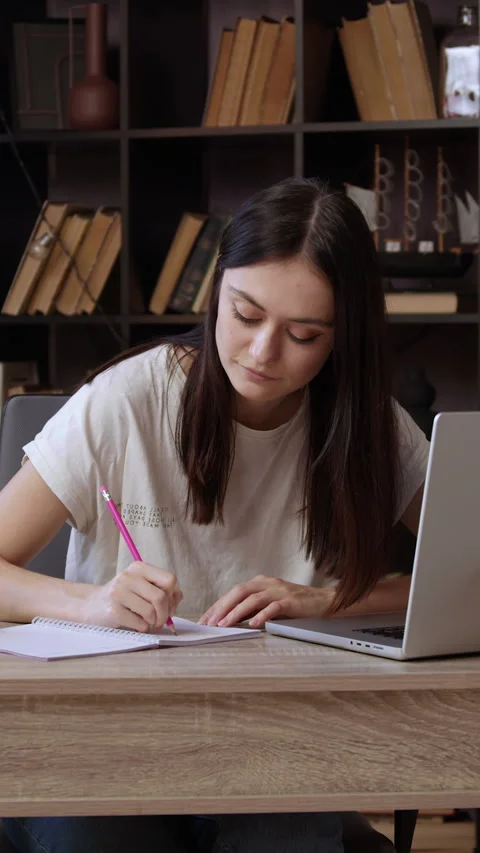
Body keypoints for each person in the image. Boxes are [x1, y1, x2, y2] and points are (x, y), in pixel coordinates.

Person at [0, 177, 429, 853]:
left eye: (304, 333)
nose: (263, 353)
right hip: (107, 734)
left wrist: (326, 600)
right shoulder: (128, 401)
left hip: (269, 734)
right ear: (215, 291)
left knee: (278, 829)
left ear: (342, 338)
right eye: (246, 314)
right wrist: (91, 604)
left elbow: (463, 579)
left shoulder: (367, 422)